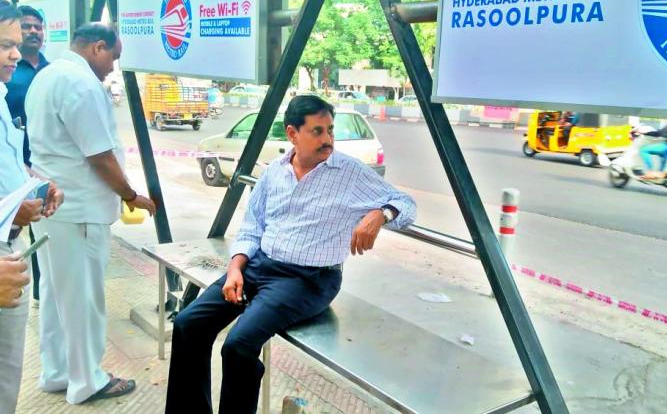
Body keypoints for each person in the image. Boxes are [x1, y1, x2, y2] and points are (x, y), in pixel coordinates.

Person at [165, 95, 416, 414]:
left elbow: (406, 203)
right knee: (188, 324)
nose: (327, 139)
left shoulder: (349, 172)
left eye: (330, 130)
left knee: (238, 346)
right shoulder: (274, 172)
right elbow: (252, 226)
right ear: (292, 134)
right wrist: (235, 268)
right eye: (317, 131)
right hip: (257, 269)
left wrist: (382, 214)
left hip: (308, 280)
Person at [26, 23, 156, 405]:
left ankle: (57, 372)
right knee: (82, 299)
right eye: (113, 57)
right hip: (79, 209)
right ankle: (87, 381)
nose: (113, 67)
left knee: (54, 294)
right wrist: (131, 195)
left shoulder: (48, 75)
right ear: (98, 47)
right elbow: (99, 155)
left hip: (53, 207)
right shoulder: (80, 84)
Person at [0, 0, 63, 414]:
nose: (16, 54)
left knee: (4, 371)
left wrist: (35, 184)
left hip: (9, 247)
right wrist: (4, 206)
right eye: (4, 45)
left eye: (17, 44)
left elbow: (6, 162)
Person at [5, 5, 49, 306]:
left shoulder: (51, 68)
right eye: (26, 26)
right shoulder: (5, 74)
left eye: (38, 26)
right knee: (17, 226)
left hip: (46, 163)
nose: (33, 31)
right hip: (15, 163)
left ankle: (41, 291)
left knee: (43, 228)